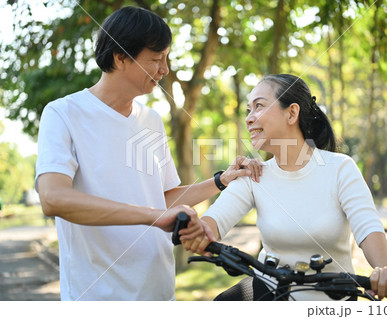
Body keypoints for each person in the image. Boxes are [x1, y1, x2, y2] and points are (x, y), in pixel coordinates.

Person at [35, 6, 259, 301]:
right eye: (156, 59)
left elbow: (162, 198)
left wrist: (220, 181)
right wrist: (155, 217)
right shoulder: (64, 114)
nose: (165, 69)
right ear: (120, 57)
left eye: (166, 58)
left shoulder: (150, 120)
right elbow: (53, 199)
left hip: (158, 291)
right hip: (97, 296)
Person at [181, 74, 387, 301]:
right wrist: (197, 231)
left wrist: (383, 270)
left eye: (259, 106)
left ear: (292, 113)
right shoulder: (253, 175)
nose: (249, 118)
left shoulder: (339, 168)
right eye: (248, 110)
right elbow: (213, 222)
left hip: (334, 299)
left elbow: (368, 228)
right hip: (270, 294)